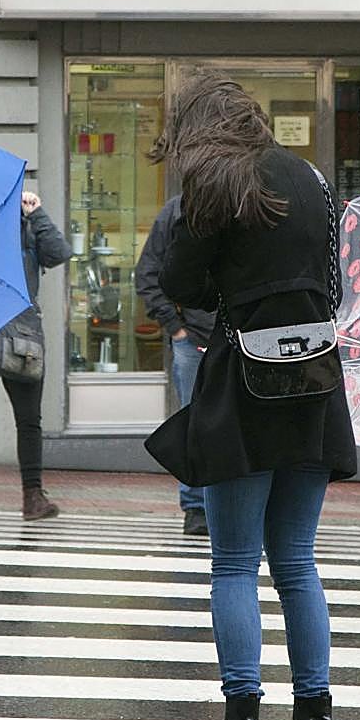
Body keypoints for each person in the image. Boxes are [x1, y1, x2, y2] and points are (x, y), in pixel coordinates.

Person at [146, 71, 357, 720]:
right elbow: (332, 279)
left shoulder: (214, 183)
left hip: (244, 381)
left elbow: (180, 282)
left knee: (234, 561)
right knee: (297, 559)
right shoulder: (311, 178)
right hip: (315, 380)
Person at [0, 190, 72, 522]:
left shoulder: (18, 229)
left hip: (7, 336)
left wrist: (36, 215)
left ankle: (7, 498)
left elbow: (59, 253)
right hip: (3, 335)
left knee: (14, 420)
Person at [136, 195, 216, 536]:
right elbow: (148, 273)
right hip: (195, 338)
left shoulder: (243, 203)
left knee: (208, 422)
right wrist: (177, 328)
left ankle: (214, 505)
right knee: (194, 422)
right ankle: (196, 507)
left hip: (231, 337)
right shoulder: (178, 210)